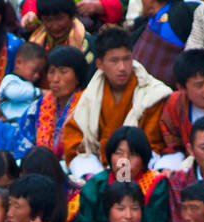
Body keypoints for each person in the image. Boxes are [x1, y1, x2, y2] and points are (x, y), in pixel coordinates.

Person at [61, 27, 169, 171]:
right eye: (114, 60)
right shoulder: (87, 97)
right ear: (99, 64)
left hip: (137, 163)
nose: (122, 67)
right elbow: (75, 143)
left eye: (127, 59)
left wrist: (123, 163)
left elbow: (153, 143)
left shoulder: (152, 94)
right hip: (98, 167)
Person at [13, 45, 88, 159]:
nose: (55, 79)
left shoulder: (89, 107)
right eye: (51, 72)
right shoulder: (37, 108)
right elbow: (20, 143)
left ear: (78, 76)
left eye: (63, 72)